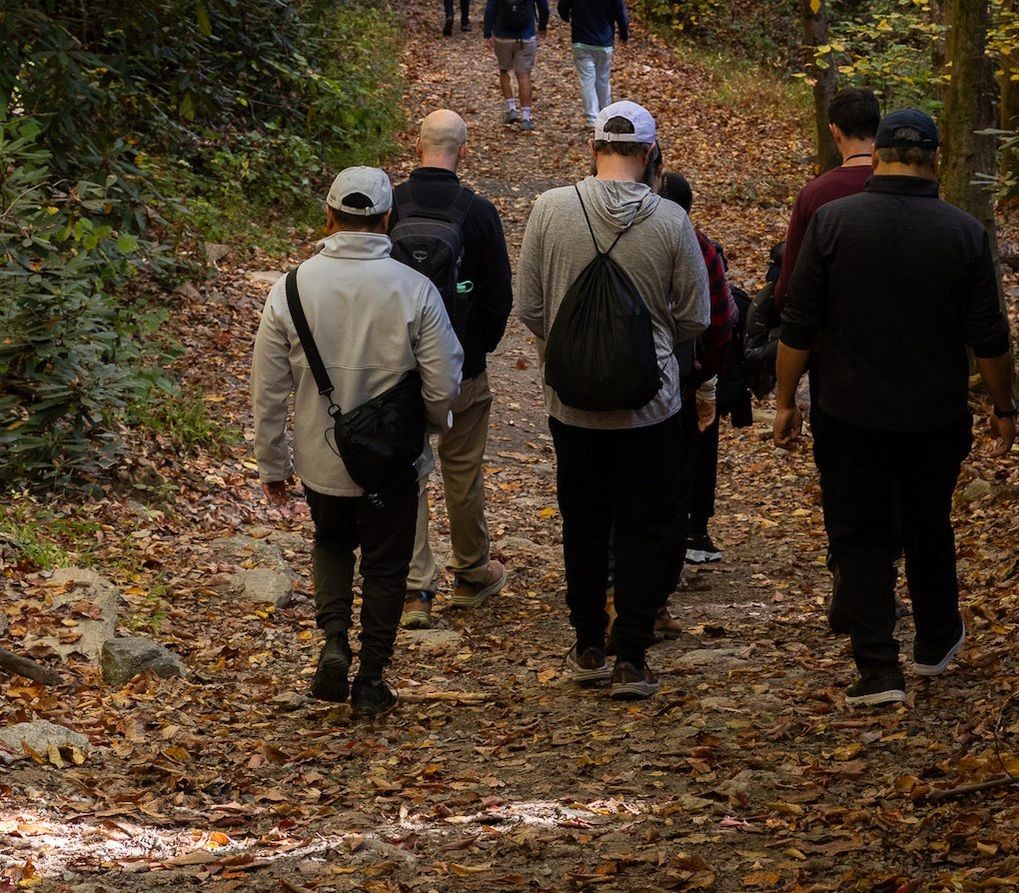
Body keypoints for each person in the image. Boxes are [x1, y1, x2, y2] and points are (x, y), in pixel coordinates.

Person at [774, 108, 1016, 709]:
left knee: (859, 534)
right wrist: (1003, 407)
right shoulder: (962, 233)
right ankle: (935, 642)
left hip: (849, 409)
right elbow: (989, 335)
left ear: (876, 154)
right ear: (935, 158)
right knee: (929, 520)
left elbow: (798, 325)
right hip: (935, 413)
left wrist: (784, 401)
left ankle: (879, 670)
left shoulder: (832, 222)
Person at [250, 166, 462, 718]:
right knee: (388, 565)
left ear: (329, 215)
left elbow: (267, 387)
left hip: (322, 457)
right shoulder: (413, 289)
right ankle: (371, 677)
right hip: (393, 459)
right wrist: (434, 428)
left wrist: (273, 462)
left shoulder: (291, 287)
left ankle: (334, 640)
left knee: (332, 542)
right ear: (387, 220)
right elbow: (444, 377)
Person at [515, 102, 710, 700]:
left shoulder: (549, 210)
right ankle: (631, 655)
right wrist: (646, 344)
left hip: (571, 403)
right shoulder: (672, 221)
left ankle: (587, 644)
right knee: (647, 522)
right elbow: (694, 314)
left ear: (592, 146)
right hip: (650, 405)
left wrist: (574, 349)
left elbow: (530, 307)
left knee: (584, 518)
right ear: (651, 154)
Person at [390, 112, 512, 628]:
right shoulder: (479, 213)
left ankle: (416, 592)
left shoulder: (389, 205)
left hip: (397, 368)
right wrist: (474, 351)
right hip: (462, 367)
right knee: (462, 470)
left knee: (409, 473)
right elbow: (500, 298)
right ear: (464, 151)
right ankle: (471, 572)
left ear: (416, 146)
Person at [658, 171, 735, 585]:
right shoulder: (700, 245)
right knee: (693, 453)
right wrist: (708, 374)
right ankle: (693, 530)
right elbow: (719, 320)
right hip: (688, 371)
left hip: (640, 373)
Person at [774, 86, 881, 316]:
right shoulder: (901, 189)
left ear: (835, 132)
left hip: (829, 334)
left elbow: (791, 282)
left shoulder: (814, 194)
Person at [557, 0, 628, 128]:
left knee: (587, 79)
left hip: (581, 40)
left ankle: (591, 118)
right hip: (604, 41)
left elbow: (562, 7)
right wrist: (623, 33)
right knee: (603, 78)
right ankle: (606, 115)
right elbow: (620, 12)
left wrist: (570, 19)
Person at [483, 0, 550, 132]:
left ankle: (511, 108)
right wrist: (542, 27)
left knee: (504, 71)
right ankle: (526, 117)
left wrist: (487, 33)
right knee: (524, 75)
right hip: (525, 36)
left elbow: (490, 10)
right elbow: (544, 8)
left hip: (503, 36)